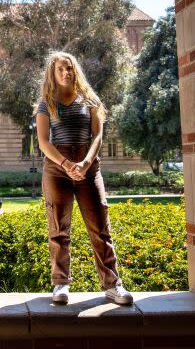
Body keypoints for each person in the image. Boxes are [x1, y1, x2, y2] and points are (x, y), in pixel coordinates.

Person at [35, 51, 133, 306]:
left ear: (75, 69)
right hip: (58, 169)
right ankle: (60, 285)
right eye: (60, 69)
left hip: (88, 166)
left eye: (69, 68)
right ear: (53, 74)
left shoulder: (90, 99)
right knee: (58, 229)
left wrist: (86, 163)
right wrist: (67, 164)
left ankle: (113, 285)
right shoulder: (47, 102)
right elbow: (44, 142)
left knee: (100, 227)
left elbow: (98, 136)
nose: (66, 72)